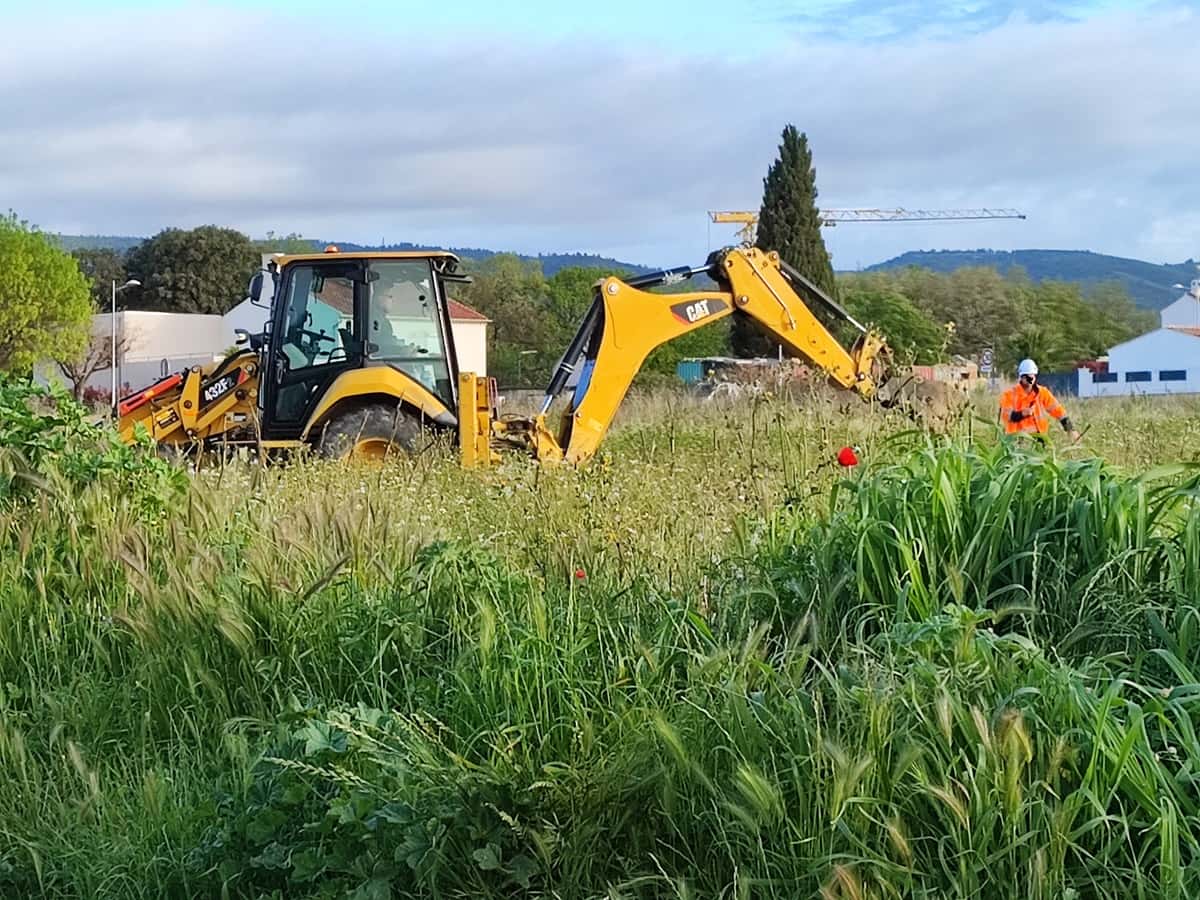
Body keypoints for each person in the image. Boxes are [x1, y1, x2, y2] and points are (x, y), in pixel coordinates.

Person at [999, 358, 1081, 442]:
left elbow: (1059, 411)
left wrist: (1070, 430)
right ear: (1021, 377)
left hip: (1039, 439)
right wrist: (1022, 414)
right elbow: (1006, 415)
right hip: (1017, 441)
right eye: (1027, 376)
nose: (1030, 379)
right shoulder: (1009, 395)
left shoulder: (1042, 393)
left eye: (1032, 376)